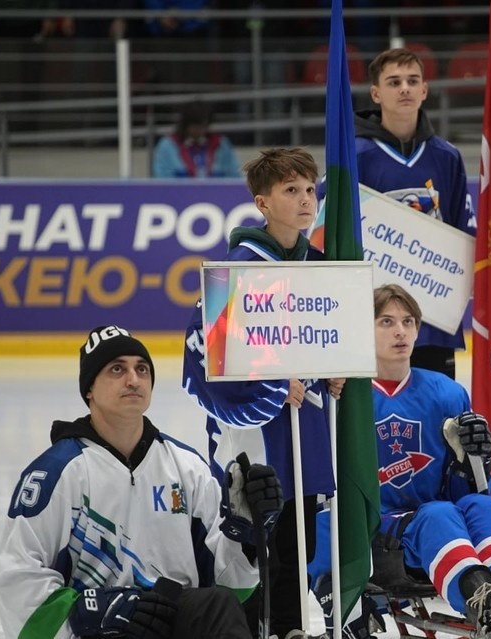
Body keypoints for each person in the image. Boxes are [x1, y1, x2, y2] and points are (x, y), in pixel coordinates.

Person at [0, 325, 284, 639]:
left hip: (173, 617)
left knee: (217, 604)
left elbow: (234, 586)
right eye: (117, 369)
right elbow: (17, 581)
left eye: (142, 369)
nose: (133, 379)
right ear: (89, 389)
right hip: (99, 633)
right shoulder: (56, 473)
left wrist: (245, 533)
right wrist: (91, 612)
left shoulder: (186, 467)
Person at [309, 284, 491, 637]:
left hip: (430, 529)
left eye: (408, 321)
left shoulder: (447, 392)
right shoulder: (343, 395)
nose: (400, 331)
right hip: (374, 532)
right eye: (385, 321)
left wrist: (475, 462)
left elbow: (463, 490)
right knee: (438, 513)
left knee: (480, 504)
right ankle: (482, 602)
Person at [183, 147, 344, 639]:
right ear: (262, 202)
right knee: (260, 528)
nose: (305, 200)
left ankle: (292, 627)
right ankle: (253, 627)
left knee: (299, 534)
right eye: (290, 190)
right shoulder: (237, 269)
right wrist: (271, 385)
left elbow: (329, 335)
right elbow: (202, 355)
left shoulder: (320, 265)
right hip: (259, 432)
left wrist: (335, 371)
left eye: (310, 190)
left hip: (308, 424)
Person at [350, 47, 477, 379]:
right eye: (393, 82)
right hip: (372, 318)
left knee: (438, 417)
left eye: (412, 81)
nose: (404, 88)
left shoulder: (447, 157)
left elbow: (464, 232)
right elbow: (329, 231)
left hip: (434, 318)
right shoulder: (354, 156)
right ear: (376, 93)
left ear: (424, 90)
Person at [153, 100, 242, 179]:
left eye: (203, 126)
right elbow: (162, 180)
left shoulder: (221, 144)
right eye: (195, 127)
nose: (200, 131)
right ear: (186, 125)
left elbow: (233, 177)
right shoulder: (168, 146)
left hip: (216, 196)